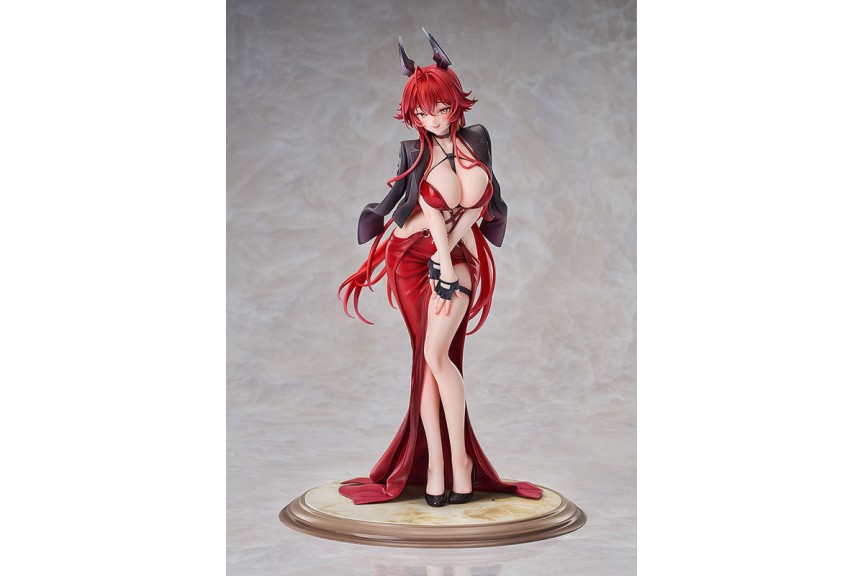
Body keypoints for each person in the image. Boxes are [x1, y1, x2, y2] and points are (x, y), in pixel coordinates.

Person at [338, 30, 542, 507]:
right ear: (413, 115)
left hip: (457, 251)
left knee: (437, 355)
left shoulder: (477, 139)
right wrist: (440, 262)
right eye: (422, 113)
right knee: (428, 360)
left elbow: (476, 209)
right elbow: (428, 212)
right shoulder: (415, 152)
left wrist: (449, 259)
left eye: (441, 108)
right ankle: (437, 467)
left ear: (456, 104)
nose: (433, 119)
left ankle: (460, 462)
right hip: (412, 257)